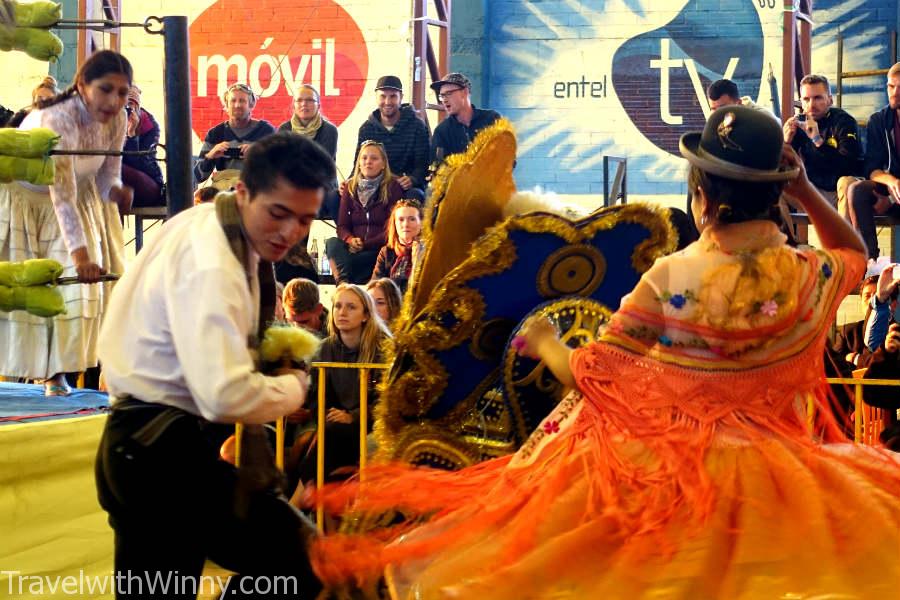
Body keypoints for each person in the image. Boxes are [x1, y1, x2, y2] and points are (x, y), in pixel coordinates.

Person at [306, 106, 900, 598]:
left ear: (700, 196)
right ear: (774, 194)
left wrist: (546, 342)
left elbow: (595, 376)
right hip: (784, 480)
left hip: (674, 483)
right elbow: (852, 252)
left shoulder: (673, 277)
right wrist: (803, 189)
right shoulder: (809, 274)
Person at [94, 132, 334, 599]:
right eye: (279, 213)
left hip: (145, 448)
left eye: (305, 220)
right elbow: (222, 393)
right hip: (159, 454)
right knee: (310, 564)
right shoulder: (214, 260)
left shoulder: (210, 224)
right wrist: (292, 387)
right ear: (243, 192)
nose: (290, 233)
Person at [0, 50, 133, 396]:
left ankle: (55, 375)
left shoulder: (118, 120)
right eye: (105, 89)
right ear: (82, 86)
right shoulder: (58, 119)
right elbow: (61, 194)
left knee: (71, 294)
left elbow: (107, 177)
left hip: (76, 196)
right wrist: (81, 257)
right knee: (22, 290)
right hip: (24, 198)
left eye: (122, 93)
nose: (114, 100)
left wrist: (118, 193)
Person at [293, 283, 391, 485]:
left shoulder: (383, 347)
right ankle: (311, 499)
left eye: (351, 307)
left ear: (366, 315)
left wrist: (352, 416)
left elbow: (387, 400)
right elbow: (317, 397)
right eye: (338, 306)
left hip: (374, 423)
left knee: (330, 436)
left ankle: (303, 497)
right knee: (328, 434)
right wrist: (333, 414)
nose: (342, 312)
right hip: (337, 422)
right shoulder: (325, 348)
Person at [326, 140, 403, 284]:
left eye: (374, 158)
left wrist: (365, 244)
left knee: (366, 259)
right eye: (364, 158)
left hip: (377, 249)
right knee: (332, 244)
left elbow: (391, 230)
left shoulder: (393, 187)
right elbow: (342, 226)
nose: (368, 162)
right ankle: (342, 283)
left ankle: (351, 277)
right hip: (353, 248)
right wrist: (350, 239)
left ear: (383, 164)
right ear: (359, 163)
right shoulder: (349, 186)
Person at [845, 62, 900, 261]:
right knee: (858, 190)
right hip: (893, 187)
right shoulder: (879, 120)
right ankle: (870, 261)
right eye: (890, 86)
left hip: (895, 197)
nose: (894, 93)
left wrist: (892, 199)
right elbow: (872, 168)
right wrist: (892, 183)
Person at [783, 74, 862, 206]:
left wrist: (817, 140)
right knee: (772, 186)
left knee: (847, 183)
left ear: (830, 100)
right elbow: (785, 168)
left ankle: (842, 227)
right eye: (806, 99)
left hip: (839, 193)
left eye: (817, 98)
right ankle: (779, 228)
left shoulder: (844, 122)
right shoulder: (798, 124)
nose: (811, 105)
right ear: (801, 102)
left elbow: (848, 167)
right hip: (811, 190)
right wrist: (786, 143)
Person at [351, 75, 430, 201]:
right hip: (374, 186)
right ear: (376, 97)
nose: (387, 102)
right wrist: (348, 182)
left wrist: (412, 179)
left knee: (416, 196)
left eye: (393, 96)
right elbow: (358, 164)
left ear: (401, 98)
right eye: (383, 96)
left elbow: (423, 164)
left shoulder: (417, 126)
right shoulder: (366, 128)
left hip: (406, 187)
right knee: (336, 197)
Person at [193, 82, 275, 187]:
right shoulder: (215, 134)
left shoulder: (266, 131)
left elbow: (280, 170)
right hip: (225, 189)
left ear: (251, 105)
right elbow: (198, 177)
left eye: (242, 101)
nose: (237, 105)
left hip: (256, 189)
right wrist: (210, 156)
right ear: (226, 106)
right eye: (233, 101)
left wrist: (258, 155)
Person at [277, 84, 339, 219]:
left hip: (322, 186)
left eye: (310, 100)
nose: (304, 104)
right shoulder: (284, 129)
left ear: (318, 105)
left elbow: (322, 165)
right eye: (299, 100)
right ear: (294, 105)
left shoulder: (329, 130)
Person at [430, 72, 501, 167]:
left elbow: (508, 155)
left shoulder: (491, 119)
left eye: (449, 94)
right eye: (442, 96)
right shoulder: (442, 131)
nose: (444, 100)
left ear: (465, 92)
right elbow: (437, 168)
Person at [121, 85, 164, 208]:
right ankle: (113, 228)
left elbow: (143, 165)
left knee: (116, 168)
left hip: (149, 185)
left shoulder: (149, 125)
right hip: (120, 187)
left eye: (131, 104)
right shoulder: (111, 122)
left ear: (138, 107)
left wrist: (132, 135)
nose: (127, 109)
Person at [371, 198, 424, 292]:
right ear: (394, 224)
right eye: (401, 219)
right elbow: (375, 286)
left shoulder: (428, 250)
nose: (406, 224)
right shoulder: (386, 252)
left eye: (412, 219)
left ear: (421, 223)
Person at [706, 78, 776, 118]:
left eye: (722, 108)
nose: (718, 114)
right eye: (713, 109)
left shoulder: (763, 118)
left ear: (738, 103)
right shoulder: (713, 121)